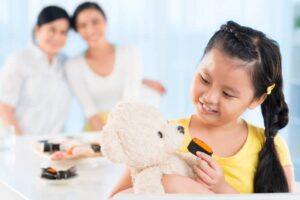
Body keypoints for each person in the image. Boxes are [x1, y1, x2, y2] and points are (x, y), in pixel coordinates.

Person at [108, 21, 294, 197]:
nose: (209, 97)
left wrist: (222, 188)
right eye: (204, 79)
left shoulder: (271, 146)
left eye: (227, 94)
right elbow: (117, 197)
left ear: (256, 99)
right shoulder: (162, 134)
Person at [65, 1, 166, 132]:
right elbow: (89, 110)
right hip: (95, 131)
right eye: (83, 25)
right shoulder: (73, 65)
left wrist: (141, 81)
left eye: (95, 22)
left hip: (129, 125)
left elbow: (130, 98)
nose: (90, 30)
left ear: (105, 22)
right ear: (78, 30)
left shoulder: (129, 52)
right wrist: (106, 140)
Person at [0, 6, 71, 135]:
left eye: (63, 32)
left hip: (55, 147)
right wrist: (23, 144)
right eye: (52, 30)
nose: (57, 37)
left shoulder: (66, 63)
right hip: (22, 143)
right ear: (38, 30)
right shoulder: (19, 60)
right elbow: (4, 108)